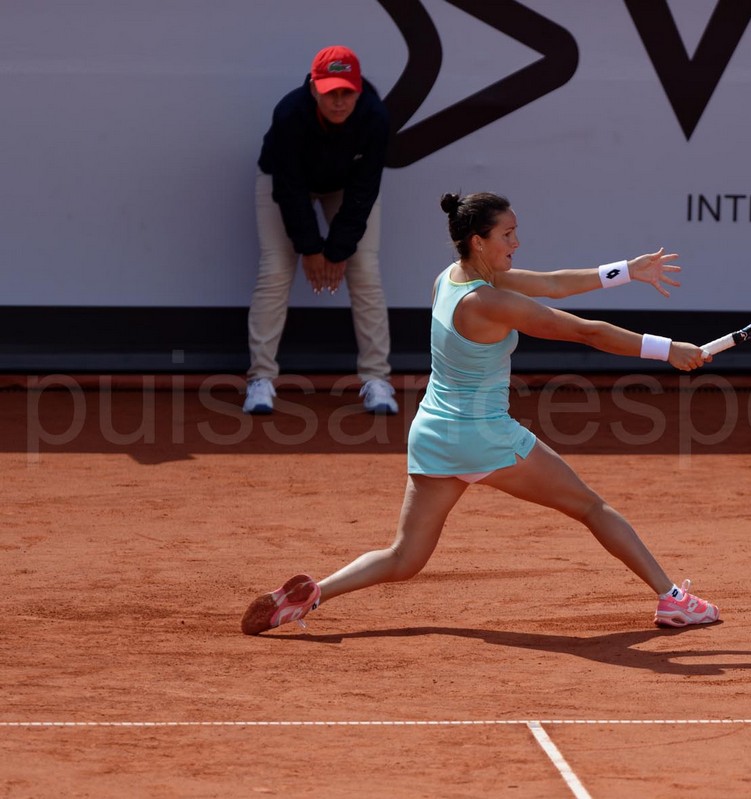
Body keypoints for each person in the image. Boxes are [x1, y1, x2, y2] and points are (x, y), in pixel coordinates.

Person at [240, 191, 720, 635]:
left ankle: (315, 593)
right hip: (484, 437)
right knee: (592, 507)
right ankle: (672, 599)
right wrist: (667, 349)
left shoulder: (450, 279)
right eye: (507, 234)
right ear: (478, 240)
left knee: (404, 557)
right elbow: (585, 332)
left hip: (434, 434)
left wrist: (626, 271)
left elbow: (552, 283)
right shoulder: (490, 302)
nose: (516, 242)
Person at [244, 45, 398, 415]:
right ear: (314, 88)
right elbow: (289, 188)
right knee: (275, 270)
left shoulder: (376, 117)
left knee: (365, 270)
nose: (339, 101)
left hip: (345, 187)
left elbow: (364, 191)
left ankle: (377, 379)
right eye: (331, 92)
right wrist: (311, 249)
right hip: (285, 182)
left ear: (358, 90)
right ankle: (260, 378)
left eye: (347, 92)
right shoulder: (290, 114)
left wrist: (338, 249)